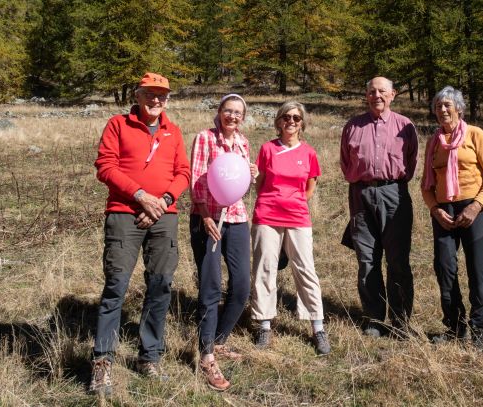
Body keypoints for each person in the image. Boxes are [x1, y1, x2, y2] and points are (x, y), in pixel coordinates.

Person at [89, 73, 191, 395]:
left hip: (164, 216)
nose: (156, 100)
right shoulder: (118, 125)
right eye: (150, 94)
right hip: (124, 214)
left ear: (167, 99)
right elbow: (106, 166)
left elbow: (183, 172)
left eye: (162, 95)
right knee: (116, 286)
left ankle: (149, 357)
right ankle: (102, 362)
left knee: (160, 286)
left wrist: (162, 201)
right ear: (138, 95)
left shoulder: (174, 132)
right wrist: (140, 195)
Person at [421, 86, 483, 348]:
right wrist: (435, 210)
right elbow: (426, 185)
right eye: (438, 106)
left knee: (477, 268)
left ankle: (480, 328)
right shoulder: (433, 142)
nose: (442, 110)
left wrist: (476, 206)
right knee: (444, 267)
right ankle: (455, 327)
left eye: (447, 105)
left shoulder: (475, 134)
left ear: (459, 109)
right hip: (444, 211)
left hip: (474, 208)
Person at [250, 101, 330, 355]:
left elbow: (310, 187)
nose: (291, 121)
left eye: (296, 118)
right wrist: (274, 200)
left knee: (305, 268)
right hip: (267, 215)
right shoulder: (267, 149)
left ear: (302, 123)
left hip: (297, 216)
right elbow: (259, 184)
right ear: (279, 121)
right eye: (286, 117)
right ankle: (264, 325)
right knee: (265, 268)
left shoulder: (309, 152)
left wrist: (293, 202)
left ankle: (317, 327)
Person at [340, 77, 418, 338]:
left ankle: (400, 320)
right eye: (372, 91)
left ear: (393, 94)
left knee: (398, 260)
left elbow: (411, 162)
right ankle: (374, 318)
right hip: (360, 195)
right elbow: (345, 162)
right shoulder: (353, 126)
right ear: (366, 95)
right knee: (367, 260)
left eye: (382, 91)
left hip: (394, 194)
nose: (377, 96)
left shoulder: (405, 126)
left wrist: (389, 184)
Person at [189, 94, 257, 391]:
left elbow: (238, 183)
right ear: (219, 112)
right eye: (228, 111)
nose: (232, 116)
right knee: (211, 286)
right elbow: (196, 180)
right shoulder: (205, 138)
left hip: (237, 217)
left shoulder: (243, 142)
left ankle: (219, 340)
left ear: (243, 117)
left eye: (238, 112)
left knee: (241, 286)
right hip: (208, 218)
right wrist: (205, 216)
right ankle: (206, 355)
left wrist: (251, 175)